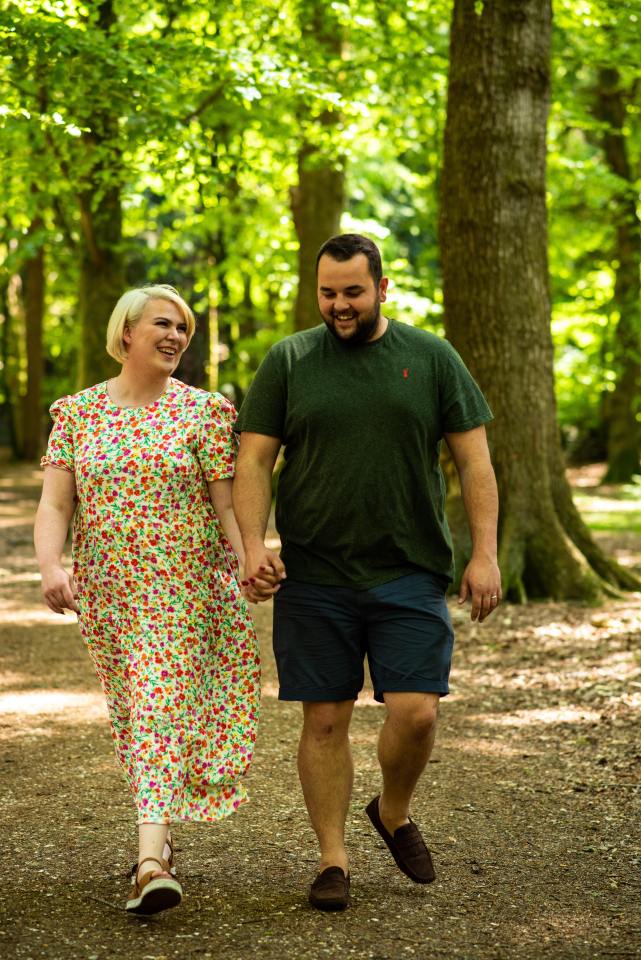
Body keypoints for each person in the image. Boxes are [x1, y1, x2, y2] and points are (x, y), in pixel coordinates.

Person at [232, 233, 501, 911]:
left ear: (382, 287)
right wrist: (252, 545)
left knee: (414, 715)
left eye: (352, 292)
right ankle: (332, 860)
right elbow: (254, 461)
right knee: (323, 720)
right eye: (327, 293)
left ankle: (393, 810)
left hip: (408, 567)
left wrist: (484, 552)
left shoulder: (431, 357)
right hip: (314, 573)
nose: (338, 305)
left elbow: (474, 462)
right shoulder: (289, 359)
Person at [34, 285, 260, 916]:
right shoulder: (78, 414)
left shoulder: (204, 412)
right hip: (110, 595)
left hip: (186, 592)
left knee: (158, 707)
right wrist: (51, 565)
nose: (177, 336)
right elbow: (55, 503)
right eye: (164, 323)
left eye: (183, 328)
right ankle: (160, 838)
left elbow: (224, 505)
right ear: (126, 332)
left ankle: (150, 863)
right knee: (139, 716)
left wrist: (250, 560)